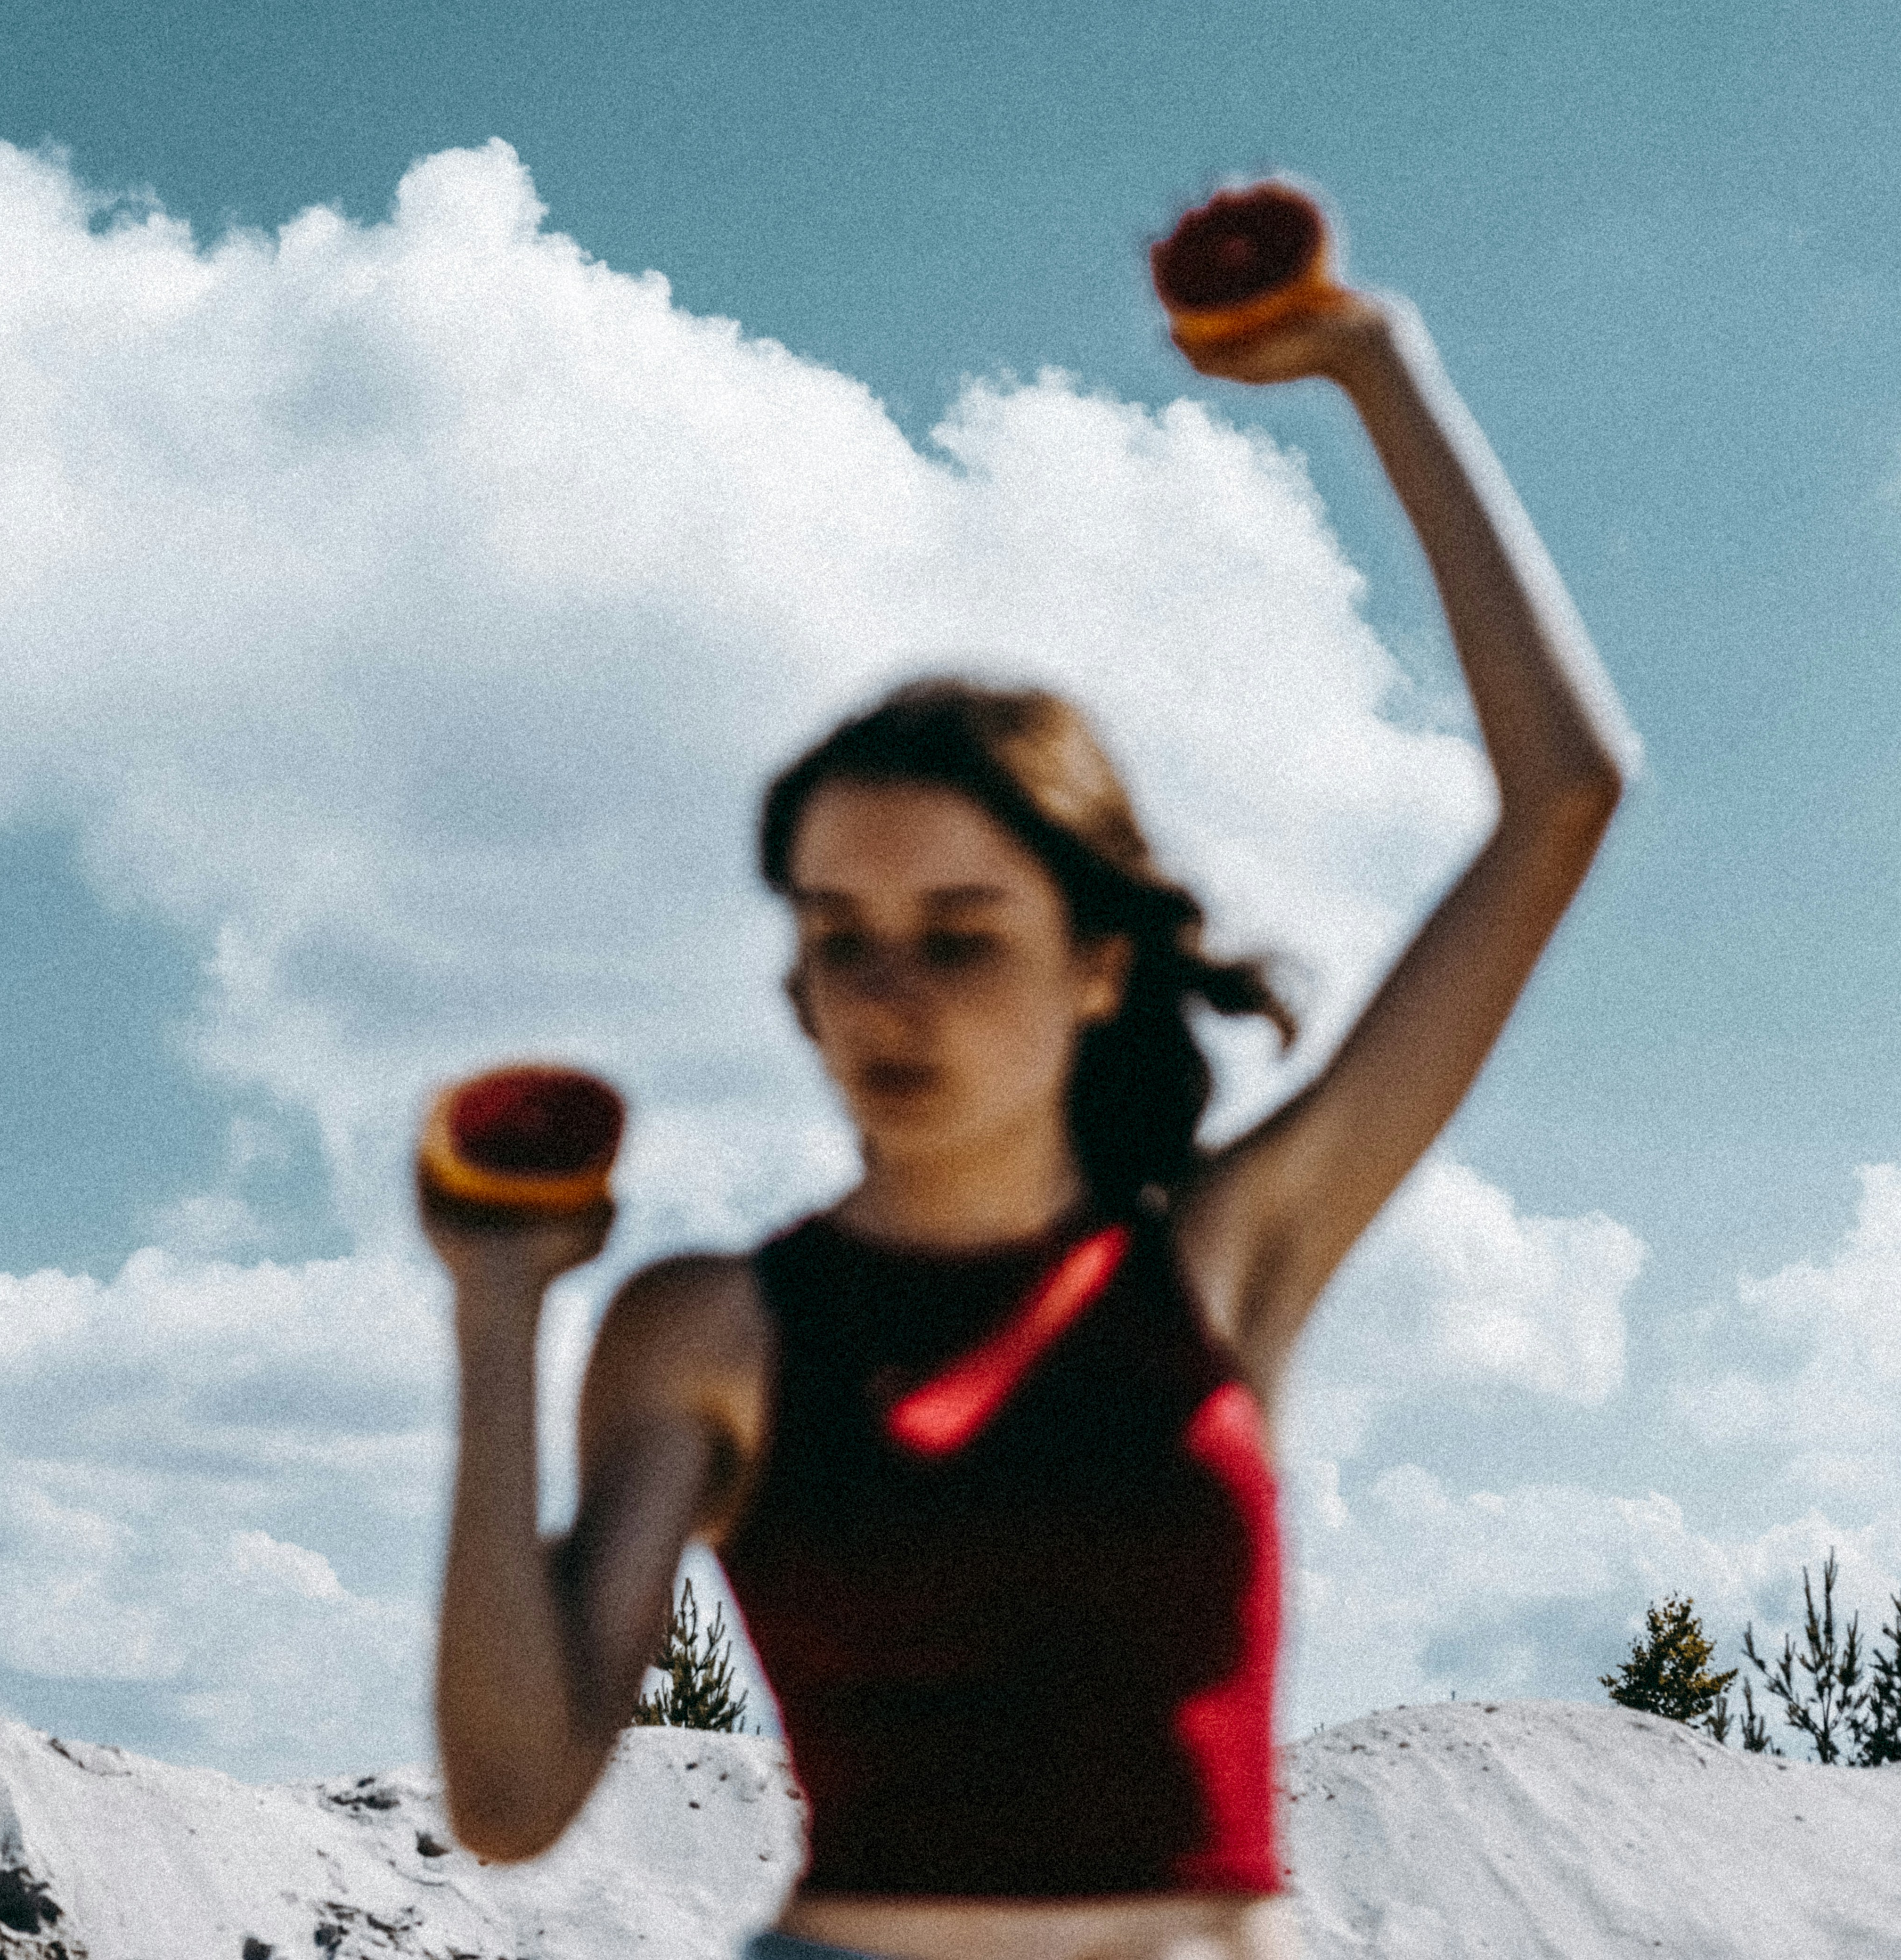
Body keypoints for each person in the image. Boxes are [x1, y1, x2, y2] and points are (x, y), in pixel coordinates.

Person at [426, 220, 1637, 1960]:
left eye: (963, 935)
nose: (888, 996)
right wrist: (492, 1320)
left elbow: (1565, 797)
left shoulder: (1221, 1259)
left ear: (1099, 963)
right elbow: (514, 1799)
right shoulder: (712, 1333)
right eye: (843, 936)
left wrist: (1375, 363)